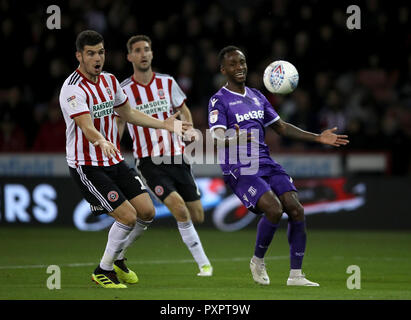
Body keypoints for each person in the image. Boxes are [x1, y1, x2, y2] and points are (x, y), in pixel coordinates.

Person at [59, 30, 191, 289]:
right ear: (79, 56)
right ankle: (103, 270)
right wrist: (100, 140)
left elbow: (128, 113)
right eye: (91, 53)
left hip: (114, 160)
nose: (97, 58)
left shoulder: (109, 81)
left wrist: (164, 125)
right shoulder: (72, 88)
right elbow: (86, 126)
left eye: (101, 52)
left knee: (147, 212)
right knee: (127, 217)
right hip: (87, 164)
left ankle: (117, 259)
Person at [208, 46, 349, 286]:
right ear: (223, 70)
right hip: (240, 167)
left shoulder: (257, 96)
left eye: (242, 62)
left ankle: (296, 275)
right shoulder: (218, 100)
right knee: (273, 209)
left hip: (265, 161)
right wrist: (236, 139)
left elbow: (281, 127)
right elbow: (217, 137)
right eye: (233, 64)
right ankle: (258, 260)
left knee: (296, 209)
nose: (239, 67)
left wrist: (318, 137)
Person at [117, 35, 213, 277]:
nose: (143, 54)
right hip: (149, 162)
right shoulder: (123, 90)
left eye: (146, 49)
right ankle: (204, 265)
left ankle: (119, 252)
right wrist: (113, 145)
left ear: (152, 54)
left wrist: (188, 125)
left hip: (177, 157)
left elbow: (182, 108)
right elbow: (119, 121)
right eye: (137, 50)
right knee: (179, 208)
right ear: (130, 57)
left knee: (197, 215)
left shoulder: (167, 83)